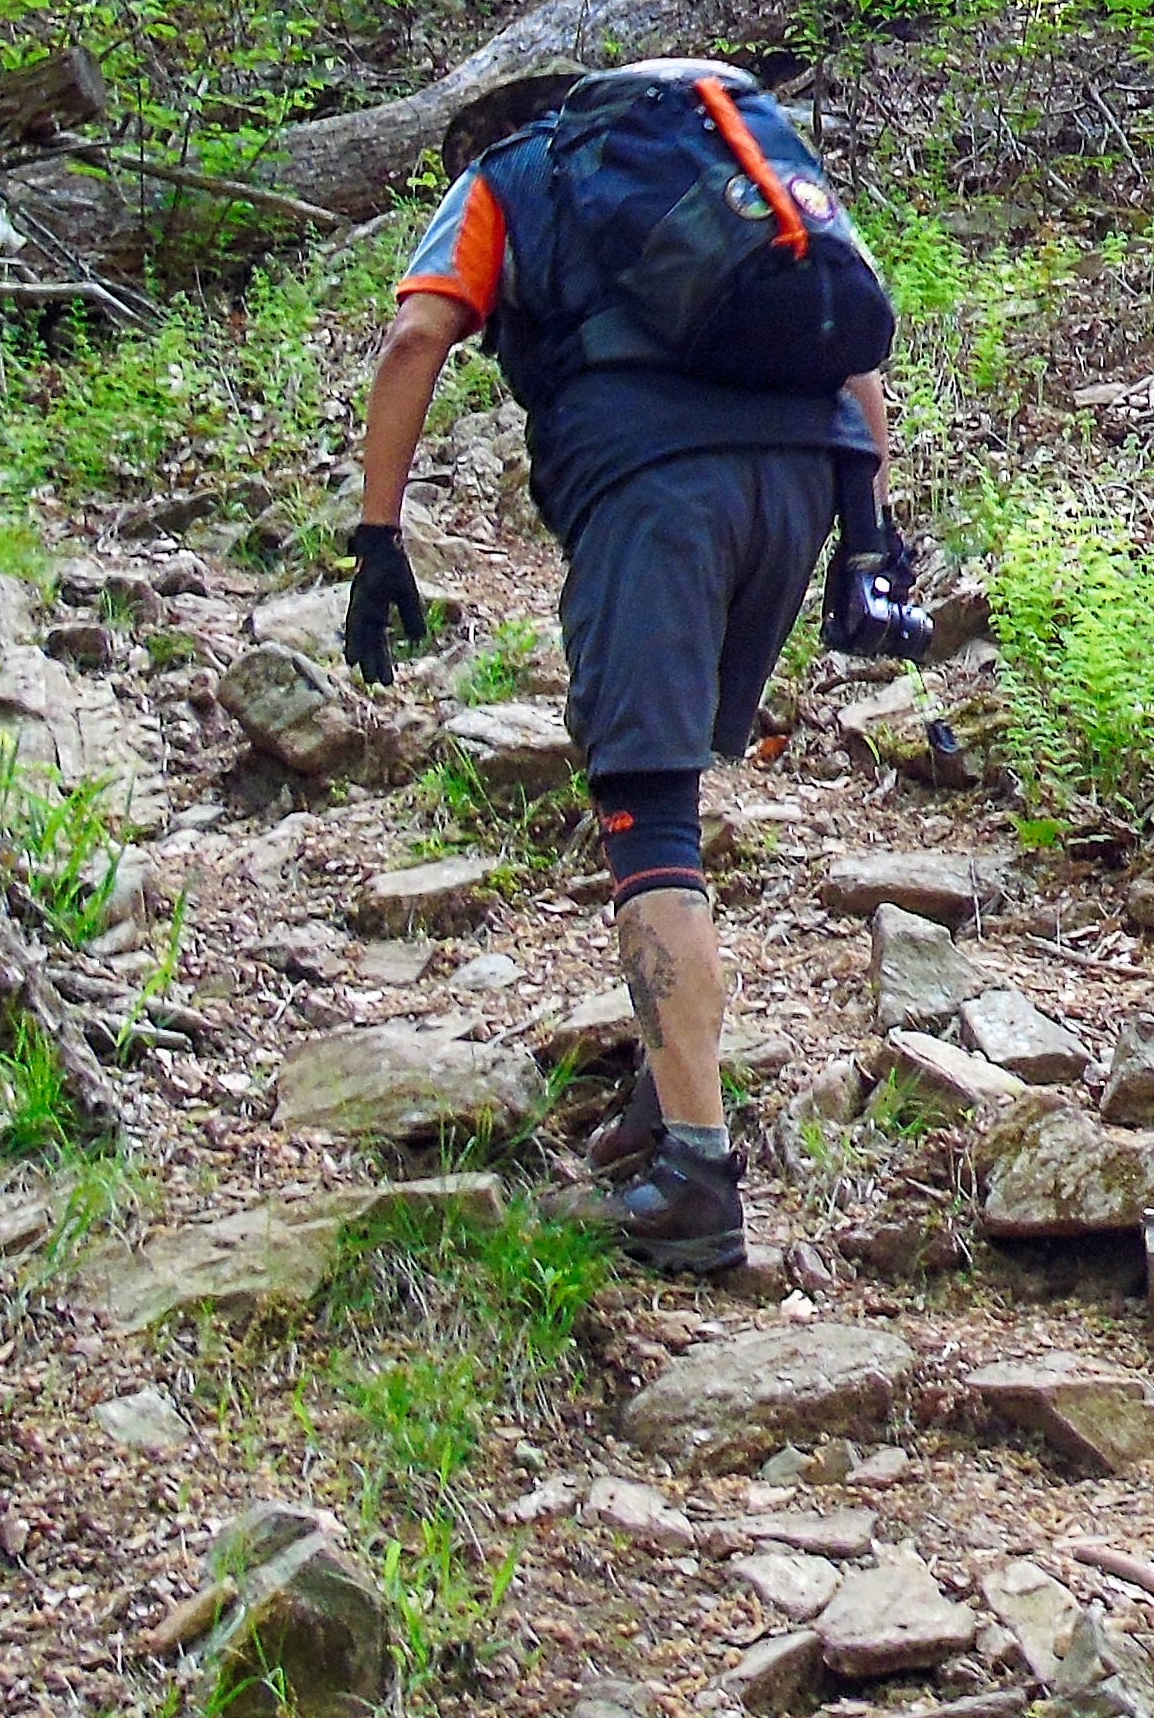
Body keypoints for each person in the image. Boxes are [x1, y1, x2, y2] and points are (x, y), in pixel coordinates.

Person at [344, 62, 922, 1272]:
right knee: (671, 776)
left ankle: (695, 1182)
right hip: (803, 481)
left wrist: (378, 534)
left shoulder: (506, 177)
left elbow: (416, 335)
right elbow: (850, 344)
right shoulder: (727, 173)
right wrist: (870, 527)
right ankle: (670, 1092)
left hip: (660, 490)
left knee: (642, 807)